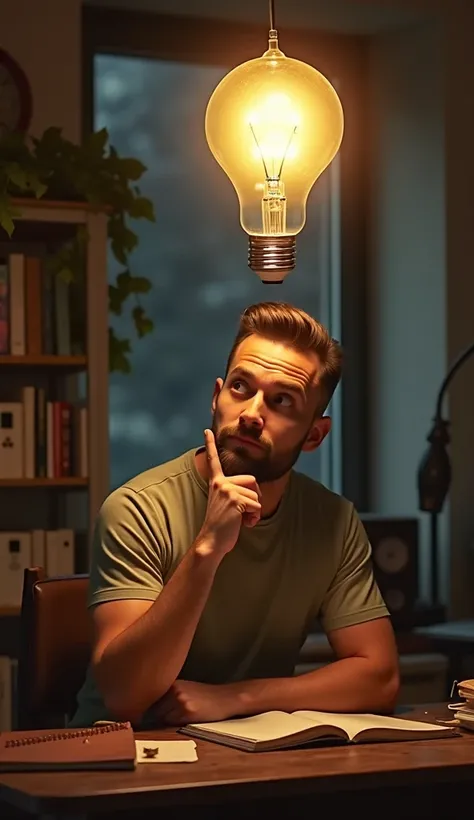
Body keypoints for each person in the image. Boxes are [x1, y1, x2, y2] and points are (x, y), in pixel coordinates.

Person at [70, 301, 399, 728]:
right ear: (216, 396)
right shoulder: (137, 508)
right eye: (241, 388)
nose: (251, 415)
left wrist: (238, 697)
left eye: (282, 401)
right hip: (124, 761)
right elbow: (123, 696)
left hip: (246, 759)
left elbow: (380, 678)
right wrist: (207, 549)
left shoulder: (333, 521)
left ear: (314, 435)